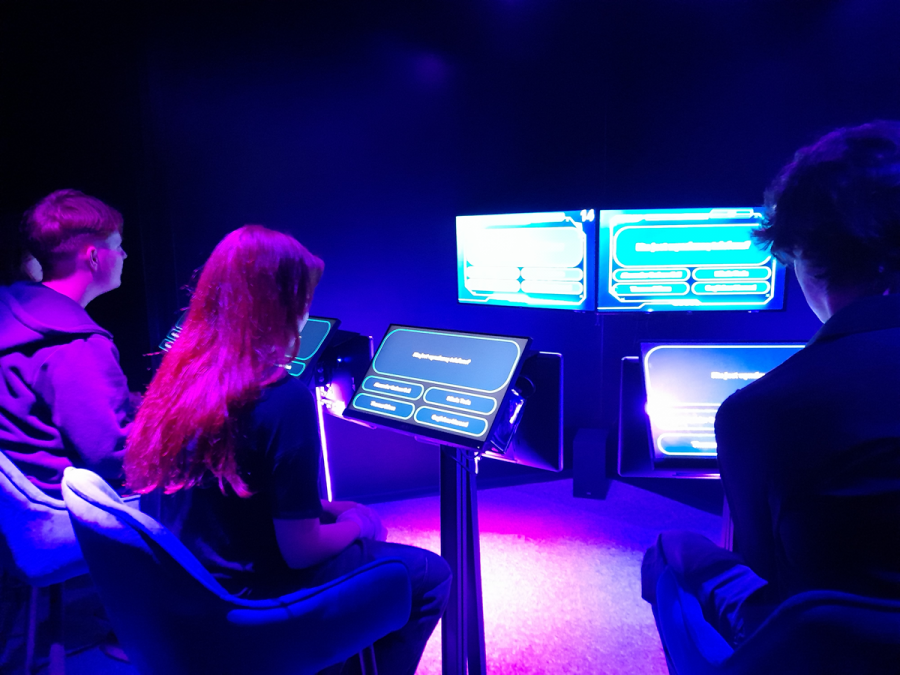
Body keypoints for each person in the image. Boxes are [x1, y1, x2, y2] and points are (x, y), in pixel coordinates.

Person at [125, 225, 451, 675]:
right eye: (305, 299)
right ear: (279, 306)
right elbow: (301, 550)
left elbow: (231, 494)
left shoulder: (182, 377)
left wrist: (323, 509)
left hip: (189, 588)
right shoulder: (281, 398)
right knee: (429, 576)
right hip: (250, 604)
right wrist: (358, 524)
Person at [642, 121, 900, 648]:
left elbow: (762, 573)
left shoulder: (758, 411)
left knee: (672, 550)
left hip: (831, 652)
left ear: (807, 256)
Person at [0, 189, 133, 496]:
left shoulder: (13, 314)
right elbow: (113, 457)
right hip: (66, 507)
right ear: (94, 256)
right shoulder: (76, 342)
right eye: (118, 246)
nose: (124, 255)